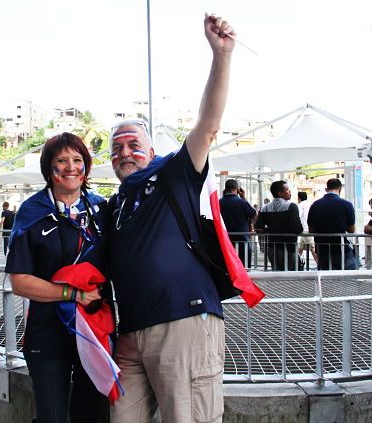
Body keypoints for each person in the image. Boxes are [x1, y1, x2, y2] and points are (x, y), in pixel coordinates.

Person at [107, 14, 235, 422]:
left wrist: (221, 56)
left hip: (183, 322)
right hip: (130, 334)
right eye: (116, 148)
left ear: (151, 148)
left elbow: (208, 124)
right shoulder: (116, 205)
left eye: (133, 145)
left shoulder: (173, 174)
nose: (124, 153)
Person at [5, 133, 110, 423]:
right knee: (52, 416)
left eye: (77, 160)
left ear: (86, 167)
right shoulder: (31, 212)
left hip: (94, 330)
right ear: (48, 169)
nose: (70, 167)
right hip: (47, 332)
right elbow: (19, 282)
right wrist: (72, 294)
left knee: (92, 414)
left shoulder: (102, 209)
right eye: (61, 161)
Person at [307, 178, 358, 270]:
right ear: (340, 189)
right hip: (341, 248)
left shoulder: (315, 204)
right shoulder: (346, 204)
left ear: (326, 189)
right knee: (346, 275)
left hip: (322, 248)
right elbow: (352, 230)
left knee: (325, 276)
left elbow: (311, 229)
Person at [254, 180, 303, 270]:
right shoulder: (291, 206)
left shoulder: (265, 208)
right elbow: (297, 229)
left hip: (272, 247)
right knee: (291, 276)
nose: (290, 192)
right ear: (280, 193)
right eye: (287, 190)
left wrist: (270, 230)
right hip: (289, 247)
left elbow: (258, 228)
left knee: (276, 274)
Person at [220, 179, 256, 268]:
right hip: (242, 240)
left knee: (227, 267)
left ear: (225, 189)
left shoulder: (218, 202)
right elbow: (253, 214)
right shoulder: (242, 202)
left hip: (224, 241)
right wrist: (243, 197)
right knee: (244, 268)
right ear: (237, 189)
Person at [297, 191, 318, 269]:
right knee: (300, 248)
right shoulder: (311, 204)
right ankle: (297, 263)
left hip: (305, 230)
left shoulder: (301, 205)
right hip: (308, 229)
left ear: (299, 198)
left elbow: (298, 216)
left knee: (312, 248)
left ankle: (319, 265)